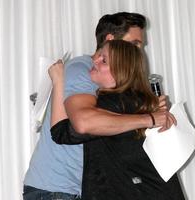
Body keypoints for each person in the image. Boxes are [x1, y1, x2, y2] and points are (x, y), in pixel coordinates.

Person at [23, 12, 175, 200]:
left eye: (141, 46)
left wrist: (149, 109)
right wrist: (148, 118)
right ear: (110, 39)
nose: (139, 50)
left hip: (78, 189)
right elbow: (80, 124)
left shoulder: (114, 87)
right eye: (135, 43)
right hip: (58, 190)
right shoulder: (83, 70)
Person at [49, 40, 186, 200]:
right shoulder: (136, 101)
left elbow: (62, 132)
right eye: (99, 56)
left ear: (121, 70)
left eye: (104, 60)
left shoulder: (113, 102)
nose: (95, 61)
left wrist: (59, 81)